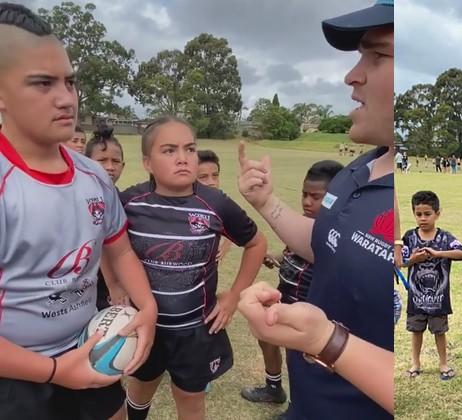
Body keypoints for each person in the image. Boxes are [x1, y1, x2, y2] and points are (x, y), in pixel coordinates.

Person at [236, 0, 394, 418]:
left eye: (377, 55)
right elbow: (329, 244)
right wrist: (266, 202)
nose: (351, 75)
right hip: (309, 402)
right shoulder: (360, 166)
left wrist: (326, 341)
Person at [0, 4, 157, 419]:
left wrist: (148, 308)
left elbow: (119, 251)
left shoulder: (94, 176)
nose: (66, 98)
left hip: (89, 350)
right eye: (43, 83)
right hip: (16, 376)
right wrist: (54, 370)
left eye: (70, 82)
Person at [121, 117, 267, 420]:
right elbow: (112, 248)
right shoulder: (129, 202)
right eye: (169, 150)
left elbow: (256, 244)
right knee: (139, 389)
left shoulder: (215, 203)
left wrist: (233, 296)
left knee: (190, 399)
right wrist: (116, 285)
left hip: (194, 331)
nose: (183, 158)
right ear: (148, 162)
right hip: (146, 325)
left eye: (190, 149)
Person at [240, 159, 343, 407]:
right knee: (267, 337)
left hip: (307, 311)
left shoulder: (335, 236)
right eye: (305, 195)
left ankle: (303, 407)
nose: (307, 202)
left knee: (302, 362)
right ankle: (274, 388)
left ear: (334, 199)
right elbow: (294, 251)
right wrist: (276, 258)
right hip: (283, 301)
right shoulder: (299, 226)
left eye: (316, 197)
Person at [397, 191, 462, 380]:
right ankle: (415, 363)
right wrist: (413, 259)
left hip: (439, 299)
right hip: (416, 297)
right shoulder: (409, 237)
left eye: (427, 214)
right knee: (416, 330)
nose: (423, 218)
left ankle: (443, 363)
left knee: (439, 331)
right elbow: (400, 261)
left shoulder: (445, 238)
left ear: (438, 213)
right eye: (418, 214)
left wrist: (438, 254)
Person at [85, 125, 129, 310]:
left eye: (115, 161)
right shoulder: (86, 198)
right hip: (87, 287)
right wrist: (113, 285)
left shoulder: (120, 197)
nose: (110, 167)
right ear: (85, 163)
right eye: (102, 160)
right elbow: (99, 242)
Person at [196, 149, 233, 262]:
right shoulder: (183, 203)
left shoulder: (220, 203)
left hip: (208, 272)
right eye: (203, 177)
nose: (212, 182)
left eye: (215, 176)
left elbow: (232, 225)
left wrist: (224, 248)